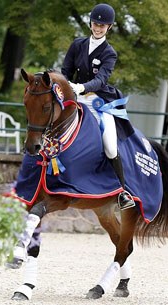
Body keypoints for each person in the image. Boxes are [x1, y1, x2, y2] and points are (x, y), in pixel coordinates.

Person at [61, 3, 135, 210]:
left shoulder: (109, 53)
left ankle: (122, 192)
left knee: (110, 145)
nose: (98, 27)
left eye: (103, 25)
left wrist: (81, 87)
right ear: (90, 23)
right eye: (96, 23)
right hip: (74, 96)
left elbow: (101, 80)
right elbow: (65, 70)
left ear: (109, 27)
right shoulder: (77, 44)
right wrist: (65, 85)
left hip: (99, 101)